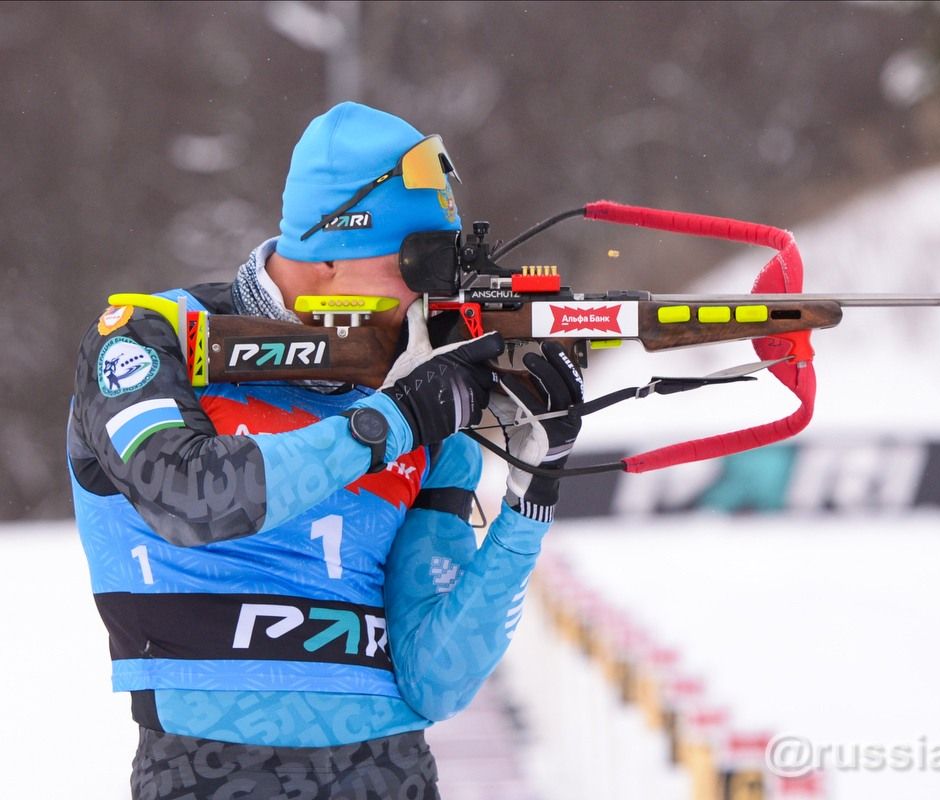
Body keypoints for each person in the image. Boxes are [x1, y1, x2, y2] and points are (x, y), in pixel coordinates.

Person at [67, 102, 583, 800]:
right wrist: (394, 421)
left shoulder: (421, 389)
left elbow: (436, 678)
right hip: (207, 772)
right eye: (417, 262)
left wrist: (535, 489)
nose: (429, 294)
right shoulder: (149, 337)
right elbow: (188, 497)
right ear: (331, 250)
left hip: (391, 772)